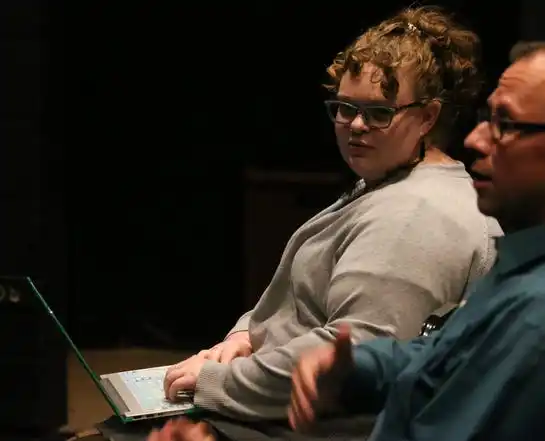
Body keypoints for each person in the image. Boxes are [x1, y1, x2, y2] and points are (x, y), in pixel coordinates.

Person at [287, 34, 545, 440]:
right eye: (486, 118)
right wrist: (358, 367)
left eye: (506, 125)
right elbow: (450, 356)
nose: (475, 140)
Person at [161, 5, 498, 423]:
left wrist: (216, 382)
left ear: (427, 116)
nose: (355, 125)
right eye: (345, 107)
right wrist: (247, 335)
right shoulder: (390, 182)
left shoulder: (417, 216)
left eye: (378, 113)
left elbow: (347, 356)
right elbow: (303, 302)